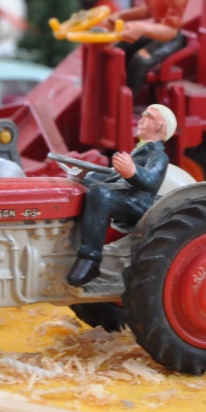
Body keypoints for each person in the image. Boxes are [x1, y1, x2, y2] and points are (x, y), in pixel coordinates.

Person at [66, 103, 177, 287]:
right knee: (90, 181)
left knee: (101, 193)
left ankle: (90, 259)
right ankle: (70, 241)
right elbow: (116, 177)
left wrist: (132, 171)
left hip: (139, 204)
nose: (140, 121)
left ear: (160, 127)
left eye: (147, 117)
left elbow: (150, 180)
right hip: (126, 195)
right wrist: (88, 176)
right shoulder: (139, 150)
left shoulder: (158, 156)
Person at [110, 0, 188, 95]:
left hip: (170, 39)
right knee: (118, 49)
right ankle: (114, 91)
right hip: (154, 32)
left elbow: (171, 31)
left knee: (140, 60)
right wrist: (121, 15)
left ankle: (129, 101)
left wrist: (142, 28)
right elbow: (146, 10)